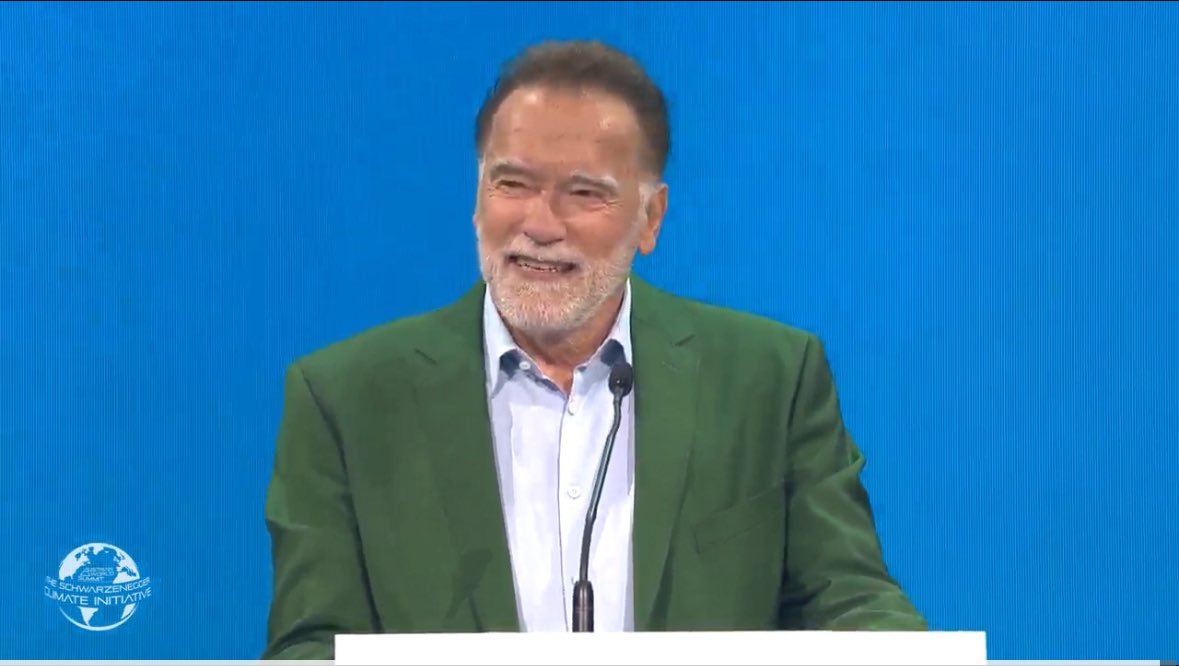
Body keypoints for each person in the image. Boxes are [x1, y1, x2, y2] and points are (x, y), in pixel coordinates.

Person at [262, 39, 926, 660]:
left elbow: (848, 598)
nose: (539, 224)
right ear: (477, 198)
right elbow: (314, 645)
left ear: (650, 218)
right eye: (511, 183)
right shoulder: (346, 400)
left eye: (584, 193)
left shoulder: (770, 380)